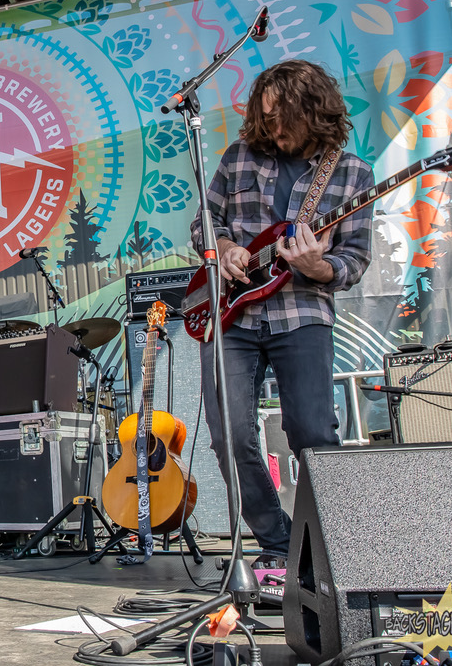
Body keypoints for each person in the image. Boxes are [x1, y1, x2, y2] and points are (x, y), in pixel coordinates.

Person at [191, 59, 373, 568]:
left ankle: (330, 552)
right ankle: (276, 544)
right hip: (233, 318)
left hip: (303, 314)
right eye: (264, 118)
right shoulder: (239, 156)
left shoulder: (353, 174)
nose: (271, 128)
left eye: (281, 117)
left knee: (314, 434)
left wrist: (317, 265)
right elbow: (204, 224)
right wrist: (223, 247)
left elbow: (354, 260)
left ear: (311, 110)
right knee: (230, 438)